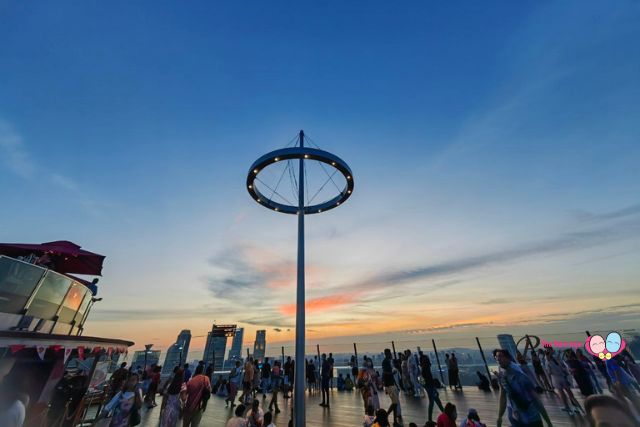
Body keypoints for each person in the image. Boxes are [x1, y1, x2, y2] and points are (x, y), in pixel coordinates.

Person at [495, 349, 553, 427]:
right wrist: (499, 416)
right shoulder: (502, 371)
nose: (498, 359)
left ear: (508, 357)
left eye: (500, 356)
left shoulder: (519, 374)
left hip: (530, 417)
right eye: (496, 357)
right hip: (516, 416)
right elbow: (502, 394)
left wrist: (548, 422)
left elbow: (535, 399)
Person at [545, 349, 582, 415]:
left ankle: (568, 408)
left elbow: (549, 373)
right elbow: (564, 368)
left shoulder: (548, 362)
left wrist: (551, 383)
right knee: (570, 394)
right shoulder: (557, 360)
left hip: (556, 379)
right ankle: (578, 408)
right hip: (562, 377)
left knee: (563, 395)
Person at [420, 351, 445, 425]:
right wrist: (434, 388)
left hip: (429, 387)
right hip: (430, 387)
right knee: (433, 402)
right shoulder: (426, 369)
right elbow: (429, 380)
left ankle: (433, 418)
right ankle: (431, 419)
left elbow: (425, 380)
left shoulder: (424, 369)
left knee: (437, 401)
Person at [382, 349, 403, 427]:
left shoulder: (387, 362)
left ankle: (394, 421)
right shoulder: (385, 362)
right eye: (390, 353)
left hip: (391, 384)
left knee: (395, 402)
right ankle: (386, 416)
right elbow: (384, 372)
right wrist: (392, 373)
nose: (391, 354)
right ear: (387, 354)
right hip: (389, 385)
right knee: (395, 402)